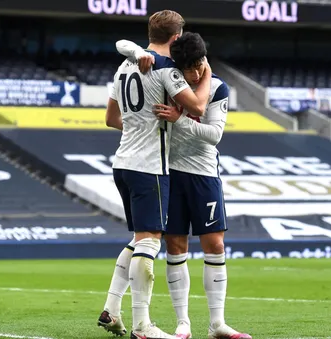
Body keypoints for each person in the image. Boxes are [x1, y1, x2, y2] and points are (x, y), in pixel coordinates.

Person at [110, 33, 253, 339]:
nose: (195, 72)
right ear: (178, 65)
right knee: (176, 246)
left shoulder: (217, 86)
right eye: (189, 67)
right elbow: (123, 45)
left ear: (204, 60)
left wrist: (178, 119)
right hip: (169, 172)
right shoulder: (166, 78)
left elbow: (214, 134)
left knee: (215, 244)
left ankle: (217, 324)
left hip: (204, 174)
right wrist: (137, 51)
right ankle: (183, 324)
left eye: (199, 64)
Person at [99, 10, 213, 339]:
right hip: (150, 166)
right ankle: (142, 326)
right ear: (176, 38)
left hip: (122, 161)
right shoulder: (165, 70)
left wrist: (140, 125)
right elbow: (198, 108)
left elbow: (110, 117)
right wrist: (205, 72)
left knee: (138, 240)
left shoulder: (124, 66)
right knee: (150, 241)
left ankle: (111, 309)